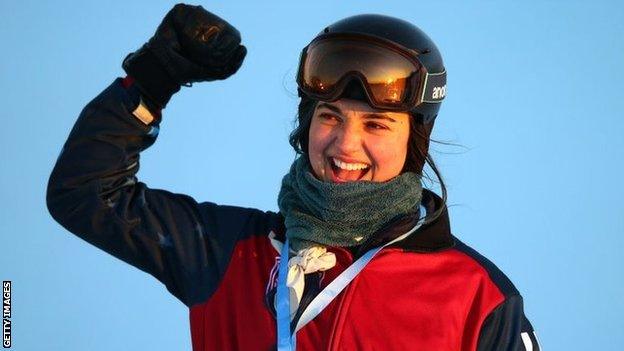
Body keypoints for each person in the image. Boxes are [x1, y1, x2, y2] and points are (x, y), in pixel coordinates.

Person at [46, 4, 540, 351]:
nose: (346, 145)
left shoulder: (477, 297)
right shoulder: (229, 252)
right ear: (306, 126)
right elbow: (86, 193)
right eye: (329, 116)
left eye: (376, 124)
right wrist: (152, 79)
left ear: (417, 141)